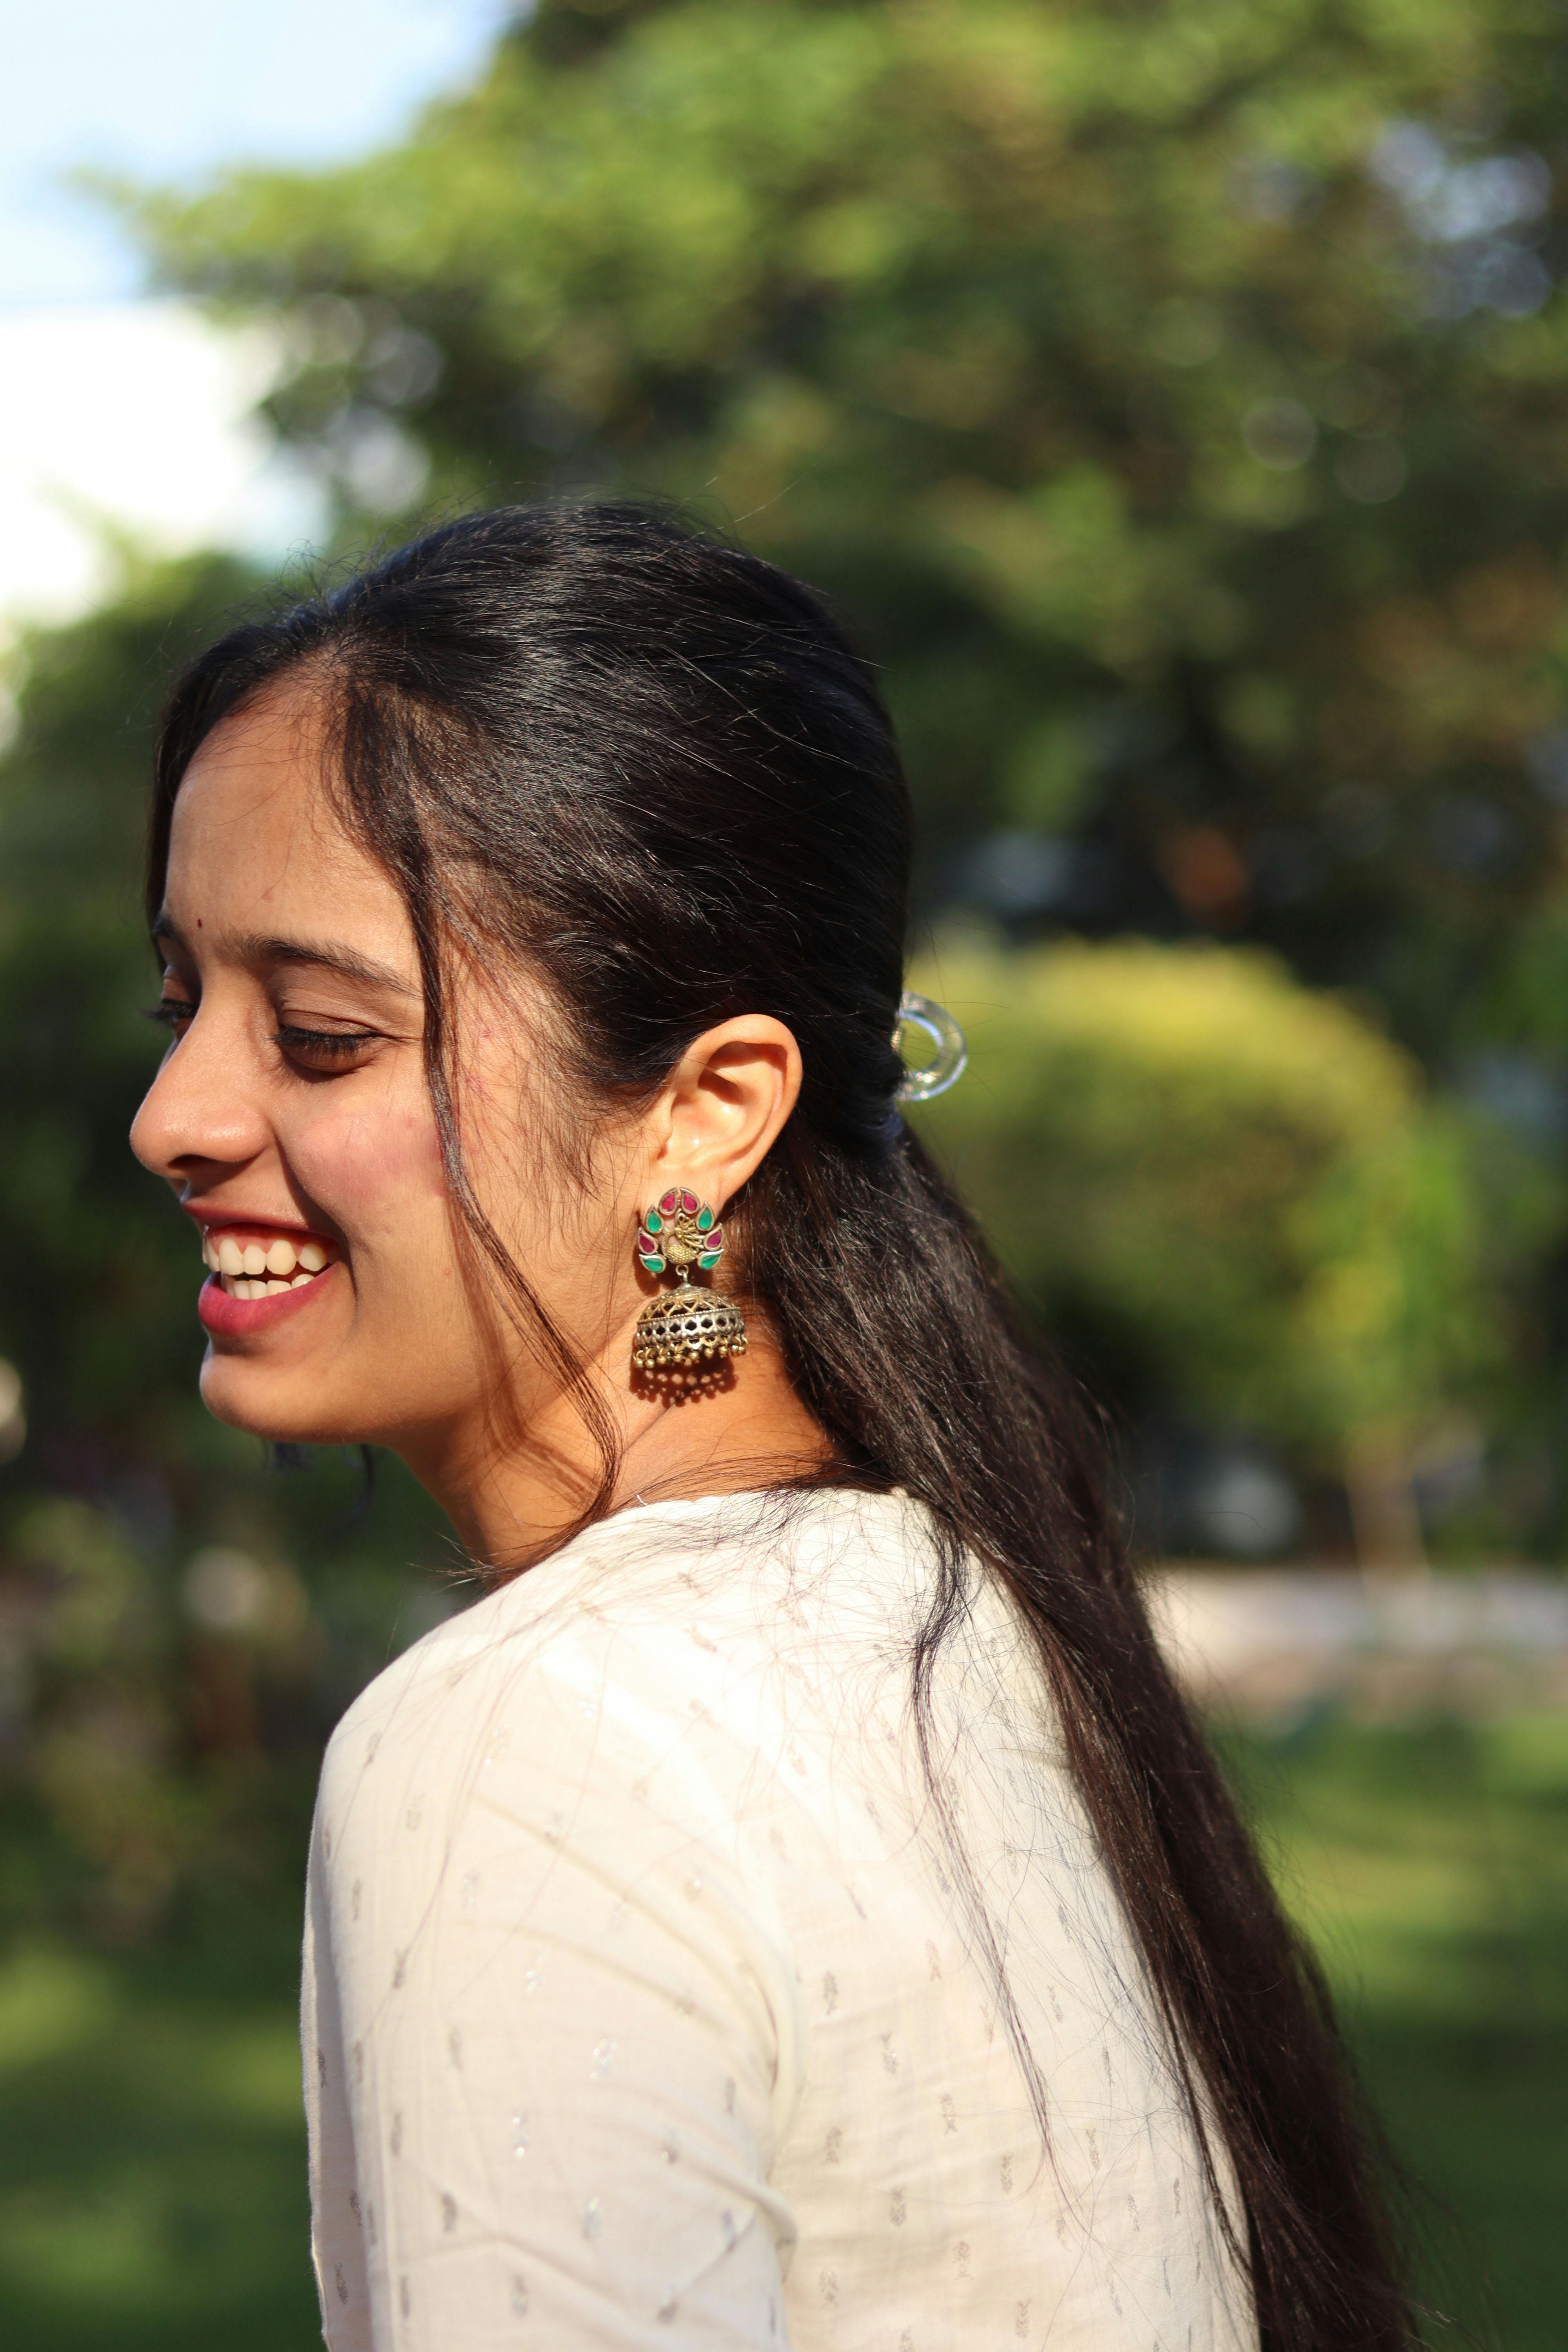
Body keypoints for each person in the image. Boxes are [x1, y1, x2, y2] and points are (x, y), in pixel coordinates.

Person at [130, 506, 1409, 2351]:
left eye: (320, 1035)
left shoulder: (532, 1737)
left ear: (706, 1112)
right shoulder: (940, 1602)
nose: (173, 1114)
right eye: (181, 1001)